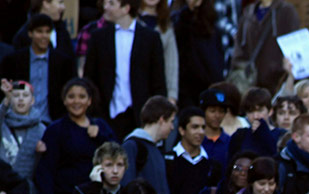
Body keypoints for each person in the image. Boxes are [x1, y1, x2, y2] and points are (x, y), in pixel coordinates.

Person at [84, 0, 167, 140]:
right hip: (106, 116)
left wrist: (156, 117)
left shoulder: (150, 37)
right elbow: (89, 79)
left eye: (111, 3)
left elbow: (158, 81)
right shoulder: (98, 37)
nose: (105, 7)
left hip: (140, 117)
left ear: (126, 8)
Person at [0, 80, 46, 194]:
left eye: (25, 96)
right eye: (17, 96)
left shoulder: (41, 129)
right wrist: (6, 100)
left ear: (33, 100)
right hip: (2, 188)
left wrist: (42, 153)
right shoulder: (3, 121)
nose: (20, 100)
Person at [0, 13, 75, 122]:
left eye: (47, 32)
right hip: (19, 121)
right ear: (30, 33)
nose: (44, 36)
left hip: (52, 122)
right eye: (39, 31)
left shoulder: (63, 62)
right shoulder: (14, 61)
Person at [229, 0, 299, 95]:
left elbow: (293, 43)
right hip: (249, 81)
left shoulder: (286, 11)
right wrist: (239, 66)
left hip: (276, 81)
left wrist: (284, 70)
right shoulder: (249, 11)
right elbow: (240, 44)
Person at [168, 106, 222, 194]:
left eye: (203, 127)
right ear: (182, 130)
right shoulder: (167, 160)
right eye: (195, 127)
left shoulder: (212, 166)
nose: (201, 132)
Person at [121, 95, 178, 194]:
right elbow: (127, 187)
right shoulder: (132, 146)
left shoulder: (157, 150)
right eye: (171, 121)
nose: (172, 127)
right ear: (161, 120)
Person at [172, 0, 223, 109]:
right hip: (185, 89)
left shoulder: (212, 22)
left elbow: (216, 58)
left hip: (209, 87)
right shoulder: (179, 21)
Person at [139, 0, 179, 104]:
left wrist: (172, 96)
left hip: (158, 92)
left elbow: (171, 64)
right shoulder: (130, 21)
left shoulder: (166, 25)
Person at [227, 87, 282, 159]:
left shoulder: (282, 135)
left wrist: (264, 133)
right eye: (250, 112)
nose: (255, 116)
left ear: (270, 111)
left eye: (260, 111)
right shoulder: (239, 136)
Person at [198, 88, 231, 169]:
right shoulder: (196, 140)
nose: (217, 116)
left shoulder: (230, 142)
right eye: (212, 111)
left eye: (221, 111)